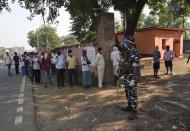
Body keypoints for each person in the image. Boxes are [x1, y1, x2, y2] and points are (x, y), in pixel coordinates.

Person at [121, 37, 140, 120]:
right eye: (125, 42)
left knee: (132, 94)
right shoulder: (127, 52)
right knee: (127, 92)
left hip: (132, 76)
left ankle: (134, 111)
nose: (125, 43)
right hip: (126, 76)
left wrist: (132, 79)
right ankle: (129, 106)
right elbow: (125, 64)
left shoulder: (134, 51)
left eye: (126, 42)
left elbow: (135, 66)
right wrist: (120, 74)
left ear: (130, 43)